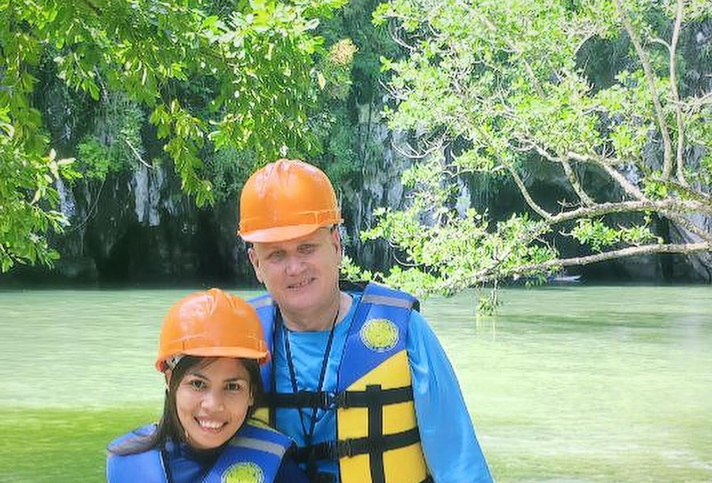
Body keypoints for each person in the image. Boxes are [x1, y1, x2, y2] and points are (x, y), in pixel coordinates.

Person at [238, 159, 493, 483]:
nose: (295, 268)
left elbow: (460, 465)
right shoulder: (238, 339)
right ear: (256, 263)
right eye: (276, 255)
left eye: (306, 248)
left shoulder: (407, 332)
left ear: (336, 245)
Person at [106, 288, 309, 483]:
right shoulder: (129, 463)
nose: (213, 405)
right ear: (169, 380)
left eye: (232, 387)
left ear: (251, 393)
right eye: (197, 384)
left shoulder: (278, 471)